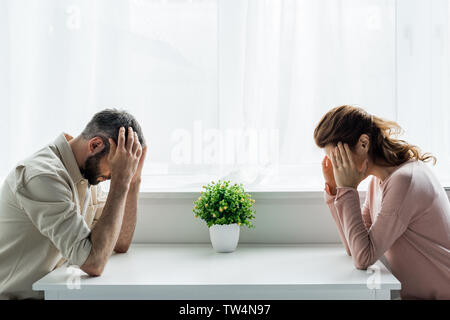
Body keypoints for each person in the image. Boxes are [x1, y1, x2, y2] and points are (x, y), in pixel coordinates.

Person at [0, 108, 147, 299]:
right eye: (114, 169)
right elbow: (94, 263)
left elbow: (120, 242)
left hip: (56, 293)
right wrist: (121, 182)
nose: (111, 178)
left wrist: (133, 180)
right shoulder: (43, 177)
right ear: (95, 145)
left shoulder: (86, 172)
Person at [314, 105, 450, 300]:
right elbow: (354, 247)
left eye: (339, 158)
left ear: (363, 143)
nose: (337, 167)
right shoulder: (377, 183)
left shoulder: (404, 181)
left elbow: (364, 257)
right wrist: (334, 190)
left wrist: (348, 190)